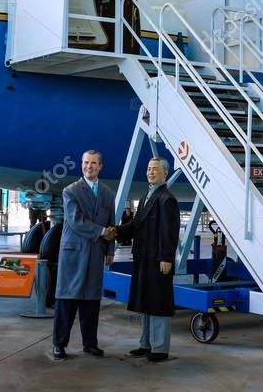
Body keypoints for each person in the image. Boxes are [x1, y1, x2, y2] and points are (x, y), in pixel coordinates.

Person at [52, 150, 116, 361]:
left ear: (100, 167)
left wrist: (110, 249)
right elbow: (74, 220)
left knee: (91, 301)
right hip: (74, 253)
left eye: (94, 163)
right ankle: (59, 344)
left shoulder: (107, 193)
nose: (89, 166)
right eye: (86, 163)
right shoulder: (70, 191)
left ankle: (90, 344)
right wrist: (100, 232)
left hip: (96, 252)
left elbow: (111, 223)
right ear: (81, 165)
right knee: (67, 301)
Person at [115, 157, 180, 363]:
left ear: (165, 173)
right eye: (148, 168)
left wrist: (166, 256)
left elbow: (169, 232)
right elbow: (136, 225)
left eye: (155, 169)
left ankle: (160, 348)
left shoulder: (167, 199)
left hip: (158, 259)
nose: (150, 172)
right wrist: (115, 231)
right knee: (145, 301)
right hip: (143, 257)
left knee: (158, 302)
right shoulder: (146, 197)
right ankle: (145, 344)